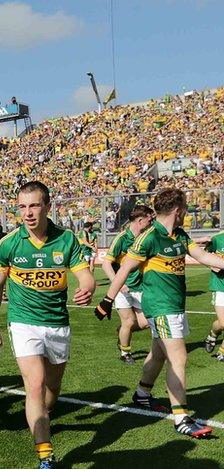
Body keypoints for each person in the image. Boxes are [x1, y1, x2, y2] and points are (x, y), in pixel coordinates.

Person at [95, 188, 224, 438]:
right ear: (177, 210)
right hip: (160, 308)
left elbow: (203, 255)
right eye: (185, 209)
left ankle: (142, 395)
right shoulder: (149, 237)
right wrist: (108, 300)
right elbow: (123, 269)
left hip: (174, 307)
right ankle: (181, 417)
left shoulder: (180, 235)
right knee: (179, 359)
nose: (186, 213)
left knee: (157, 355)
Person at [0, 181, 96, 469]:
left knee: (52, 389)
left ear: (48, 206)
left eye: (34, 205)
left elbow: (84, 275)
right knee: (33, 386)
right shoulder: (9, 243)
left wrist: (88, 287)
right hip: (24, 323)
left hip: (57, 323)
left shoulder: (66, 239)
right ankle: (45, 454)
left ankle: (42, 416)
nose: (28, 213)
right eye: (22, 207)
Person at [100, 205, 154, 363]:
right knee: (129, 321)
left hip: (140, 287)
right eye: (149, 220)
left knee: (147, 322)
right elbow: (106, 264)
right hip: (122, 290)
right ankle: (125, 352)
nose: (151, 222)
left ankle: (122, 331)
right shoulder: (122, 238)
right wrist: (118, 284)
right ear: (140, 220)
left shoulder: (147, 237)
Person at [203, 228, 224, 361]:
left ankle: (222, 352)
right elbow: (204, 255)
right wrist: (213, 266)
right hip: (220, 286)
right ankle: (212, 334)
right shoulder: (217, 239)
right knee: (222, 323)